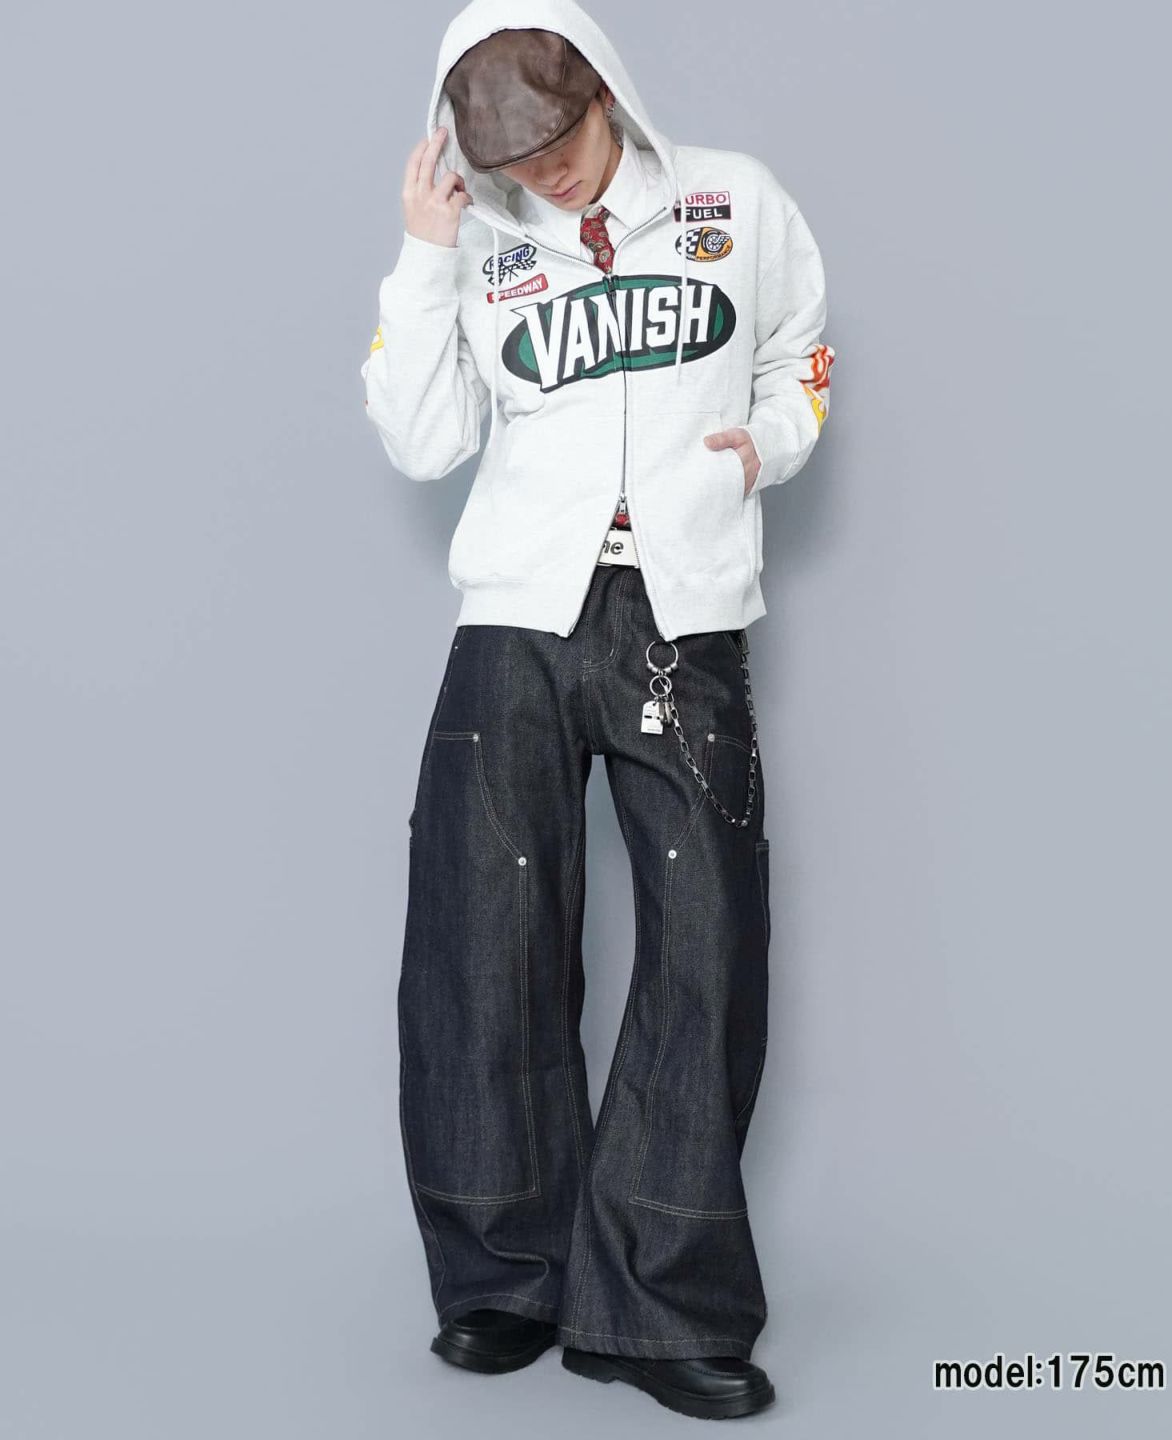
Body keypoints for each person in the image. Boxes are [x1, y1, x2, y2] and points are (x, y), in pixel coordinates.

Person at [360, 0, 835, 1420]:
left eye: (558, 143)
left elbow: (802, 354)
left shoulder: (733, 201)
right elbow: (422, 439)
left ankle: (661, 1307)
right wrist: (426, 250)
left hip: (679, 615)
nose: (547, 176)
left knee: (706, 946)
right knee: (481, 943)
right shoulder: (484, 239)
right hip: (515, 616)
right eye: (514, 159)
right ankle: (506, 1277)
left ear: (604, 95)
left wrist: (763, 448)